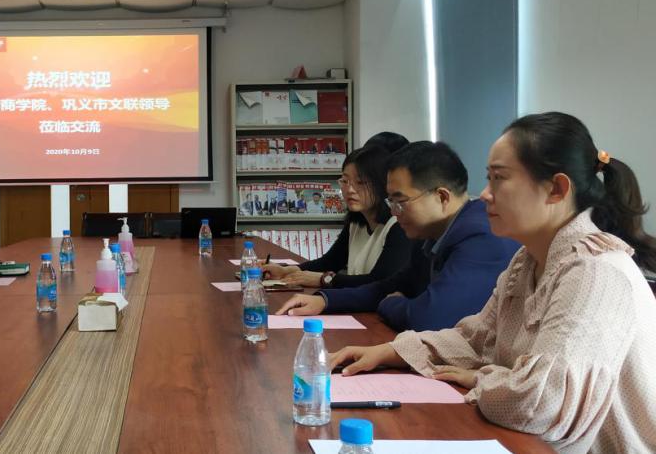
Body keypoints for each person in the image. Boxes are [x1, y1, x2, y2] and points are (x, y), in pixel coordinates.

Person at [329, 113, 656, 453]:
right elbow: (476, 340)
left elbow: (541, 404)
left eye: (499, 178)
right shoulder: (527, 260)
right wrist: (391, 351)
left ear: (556, 189)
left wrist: (483, 377)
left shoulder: (595, 271)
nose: (484, 194)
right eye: (488, 178)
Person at [276, 141, 520, 332]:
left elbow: (429, 318)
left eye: (400, 201)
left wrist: (390, 304)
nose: (393, 212)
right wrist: (325, 301)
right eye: (390, 201)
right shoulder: (431, 232)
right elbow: (391, 286)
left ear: (442, 197)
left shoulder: (481, 236)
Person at [263, 145, 412, 289]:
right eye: (345, 181)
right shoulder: (356, 222)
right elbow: (329, 262)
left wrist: (324, 279)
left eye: (360, 182)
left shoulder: (399, 226)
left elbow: (379, 282)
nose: (350, 189)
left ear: (381, 184)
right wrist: (286, 271)